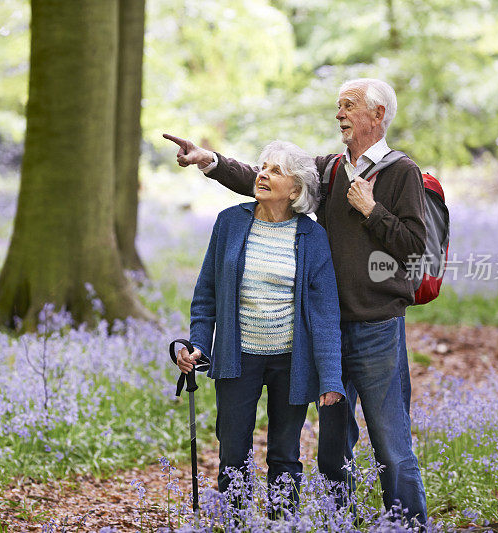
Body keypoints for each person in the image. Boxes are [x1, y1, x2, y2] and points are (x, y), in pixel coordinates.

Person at [164, 78, 428, 525]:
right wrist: (211, 162)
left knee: (392, 444)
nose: (340, 113)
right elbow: (273, 183)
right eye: (338, 106)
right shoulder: (328, 170)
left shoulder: (402, 173)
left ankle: (410, 524)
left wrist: (371, 209)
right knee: (331, 450)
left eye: (349, 106)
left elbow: (416, 249)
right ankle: (335, 520)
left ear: (377, 115)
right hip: (322, 331)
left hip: (376, 327)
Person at [173, 140, 345, 514]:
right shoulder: (230, 223)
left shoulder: (312, 238)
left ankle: (283, 522)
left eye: (276, 170)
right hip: (238, 358)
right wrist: (199, 343)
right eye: (262, 166)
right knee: (233, 453)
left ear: (296, 189)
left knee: (285, 455)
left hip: (291, 362)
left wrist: (331, 378)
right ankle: (234, 522)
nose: (263, 174)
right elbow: (206, 294)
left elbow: (326, 313)